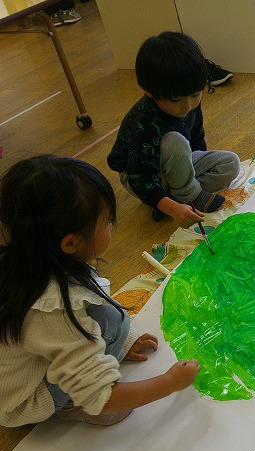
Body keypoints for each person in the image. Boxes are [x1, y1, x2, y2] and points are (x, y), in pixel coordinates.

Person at [0, 155, 201, 427]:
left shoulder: (29, 256)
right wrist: (170, 382)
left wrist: (124, 343)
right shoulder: (53, 308)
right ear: (70, 243)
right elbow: (102, 398)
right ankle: (72, 404)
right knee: (111, 326)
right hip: (24, 400)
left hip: (21, 365)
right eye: (107, 221)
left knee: (114, 320)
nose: (112, 226)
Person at [107, 31, 241, 226]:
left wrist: (195, 165)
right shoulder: (145, 121)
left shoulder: (189, 104)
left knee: (231, 163)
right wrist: (172, 209)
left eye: (195, 95)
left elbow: (196, 139)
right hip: (140, 174)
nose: (187, 106)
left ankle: (172, 197)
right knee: (174, 142)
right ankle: (184, 197)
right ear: (149, 92)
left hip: (176, 164)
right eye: (176, 100)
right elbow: (139, 176)